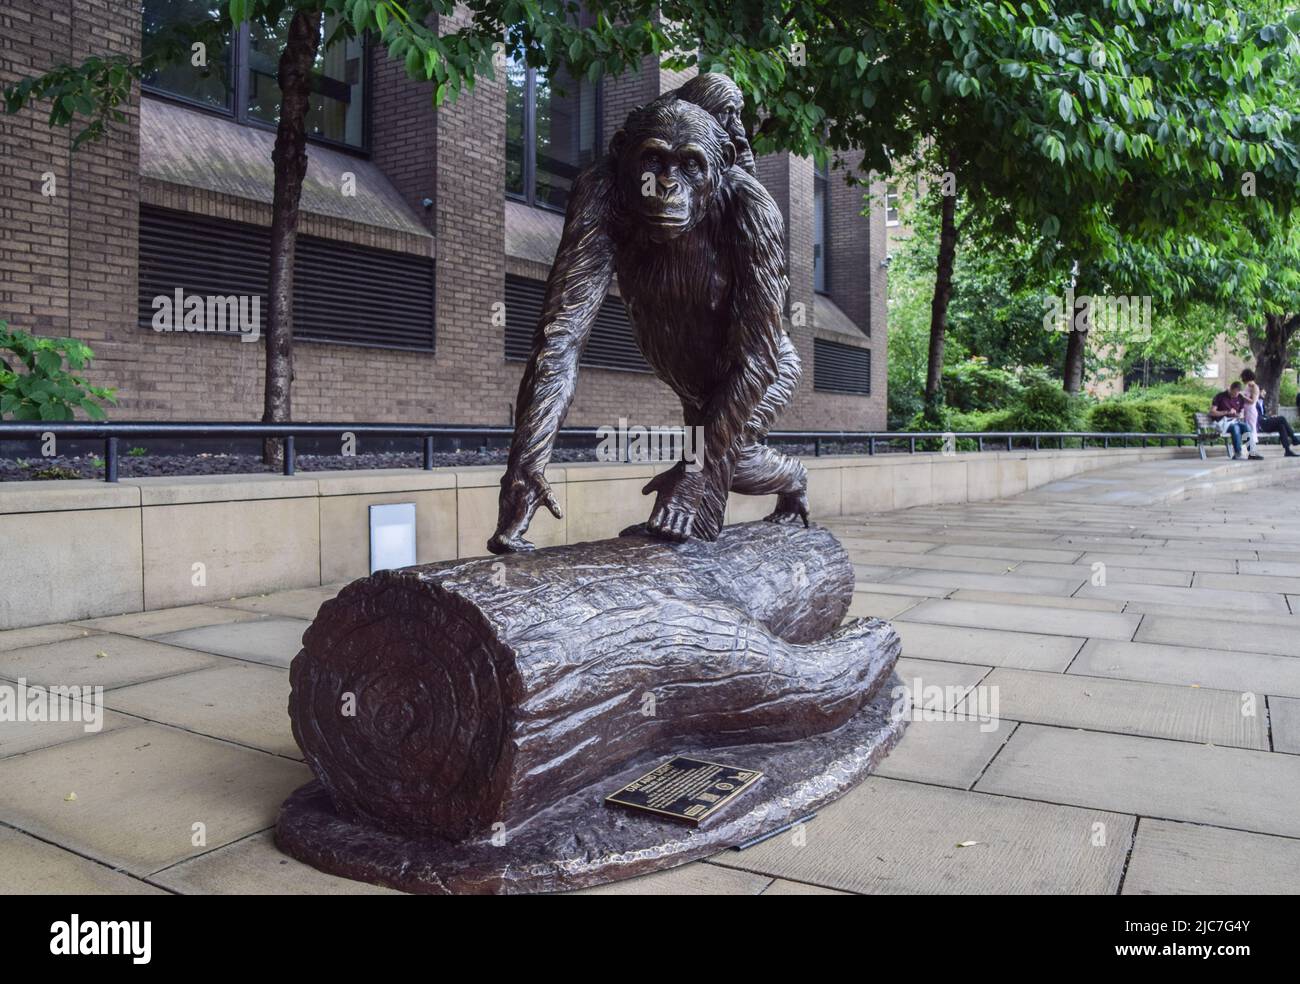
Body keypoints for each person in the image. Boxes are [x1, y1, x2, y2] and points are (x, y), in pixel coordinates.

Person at [1242, 369, 1300, 458]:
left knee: (1281, 426)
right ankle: (1294, 438)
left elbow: (1252, 401)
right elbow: (1252, 401)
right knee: (1281, 419)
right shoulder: (1251, 388)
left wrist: (1269, 417)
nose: (1264, 394)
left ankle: (1287, 450)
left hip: (1258, 418)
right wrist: (1242, 396)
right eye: (1263, 392)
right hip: (1258, 420)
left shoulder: (1254, 390)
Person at [1210, 382, 1252, 460]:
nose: (1235, 395)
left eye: (1237, 393)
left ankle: (1252, 452)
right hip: (1222, 422)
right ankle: (1238, 453)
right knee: (1235, 427)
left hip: (1234, 420)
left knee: (1246, 427)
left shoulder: (1240, 397)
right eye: (1234, 393)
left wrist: (1240, 415)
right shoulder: (1220, 396)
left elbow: (1241, 412)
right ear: (1230, 389)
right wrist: (1226, 412)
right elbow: (1212, 412)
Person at [1241, 373, 1263, 459]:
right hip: (1245, 410)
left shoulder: (1255, 387)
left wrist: (1242, 396)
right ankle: (1250, 451)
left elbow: (1252, 401)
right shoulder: (1247, 387)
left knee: (1251, 429)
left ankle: (1253, 452)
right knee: (1246, 429)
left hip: (1251, 410)